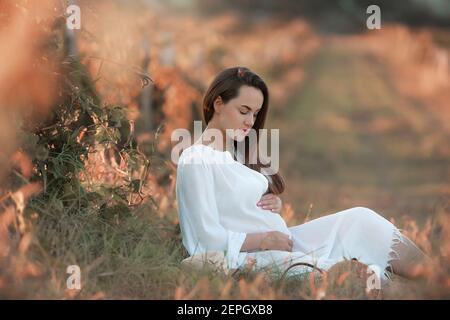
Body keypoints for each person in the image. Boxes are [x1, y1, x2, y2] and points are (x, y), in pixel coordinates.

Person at [175, 66, 429, 285]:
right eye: (244, 111)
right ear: (218, 103)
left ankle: (438, 278)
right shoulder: (196, 159)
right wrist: (263, 238)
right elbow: (204, 239)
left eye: (255, 113)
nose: (250, 121)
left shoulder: (235, 153)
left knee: (360, 220)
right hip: (253, 256)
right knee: (351, 274)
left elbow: (236, 207)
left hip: (284, 241)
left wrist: (270, 207)